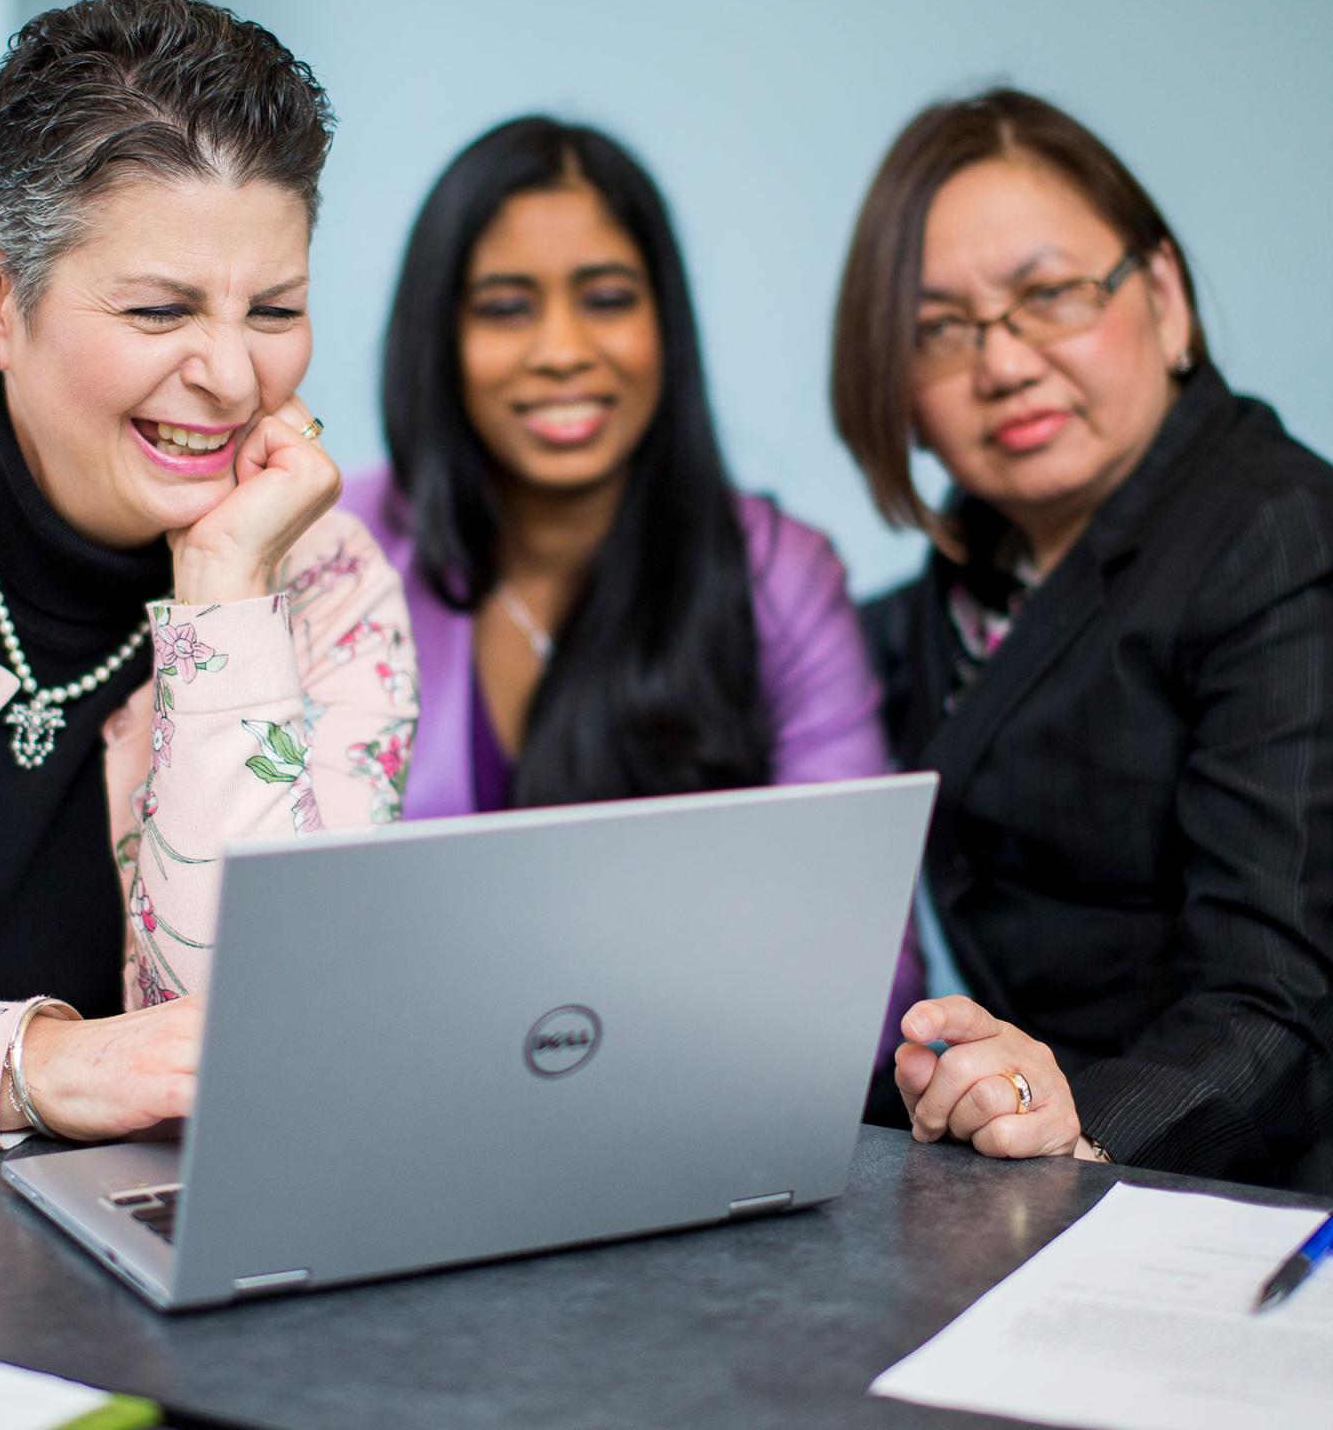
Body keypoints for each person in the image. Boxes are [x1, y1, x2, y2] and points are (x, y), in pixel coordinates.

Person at [0, 0, 416, 1159]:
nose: (230, 374)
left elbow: (261, 1047)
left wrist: (223, 591)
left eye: (276, 309)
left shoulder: (333, 583)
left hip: (148, 1260)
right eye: (160, 309)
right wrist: (36, 1066)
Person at [835, 87, 1333, 1188]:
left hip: (1250, 1195)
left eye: (1050, 295)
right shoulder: (966, 575)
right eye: (938, 330)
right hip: (1035, 1174)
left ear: (1164, 299)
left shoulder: (1278, 536)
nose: (1003, 363)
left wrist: (1080, 1115)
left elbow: (1279, 1002)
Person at [342, 116, 921, 1073]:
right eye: (505, 307)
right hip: (386, 1097)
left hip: (693, 1109)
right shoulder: (339, 551)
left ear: (667, 324)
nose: (564, 350)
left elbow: (872, 977)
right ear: (437, 336)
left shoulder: (781, 575)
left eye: (606, 298)